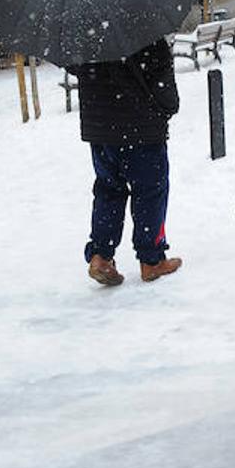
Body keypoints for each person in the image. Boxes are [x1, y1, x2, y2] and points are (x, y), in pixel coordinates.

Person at [67, 39, 182, 287]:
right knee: (150, 192)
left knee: (109, 190)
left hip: (100, 130)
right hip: (142, 128)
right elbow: (165, 90)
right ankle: (151, 259)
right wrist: (166, 110)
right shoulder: (147, 32)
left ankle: (101, 255)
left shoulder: (86, 31)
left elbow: (73, 65)